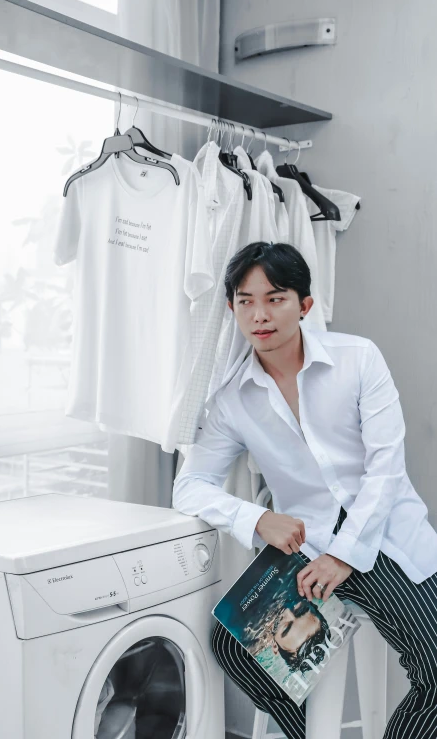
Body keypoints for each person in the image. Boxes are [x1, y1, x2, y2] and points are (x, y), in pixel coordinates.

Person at [172, 241, 437, 739]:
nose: (260, 314)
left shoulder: (358, 359)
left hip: (380, 534)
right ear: (231, 309)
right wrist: (255, 519)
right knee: (233, 645)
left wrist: (344, 556)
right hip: (302, 545)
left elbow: (386, 471)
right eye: (245, 301)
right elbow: (189, 486)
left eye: (275, 298)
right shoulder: (232, 400)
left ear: (305, 305)